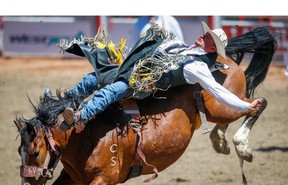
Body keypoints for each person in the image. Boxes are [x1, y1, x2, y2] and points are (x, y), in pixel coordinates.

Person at [57, 21, 262, 133]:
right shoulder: (181, 47)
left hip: (144, 85)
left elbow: (218, 91)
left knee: (112, 91)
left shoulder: (198, 67)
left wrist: (245, 107)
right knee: (94, 77)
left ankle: (79, 116)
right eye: (207, 34)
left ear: (212, 48)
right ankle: (67, 100)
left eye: (209, 38)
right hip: (132, 70)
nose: (203, 36)